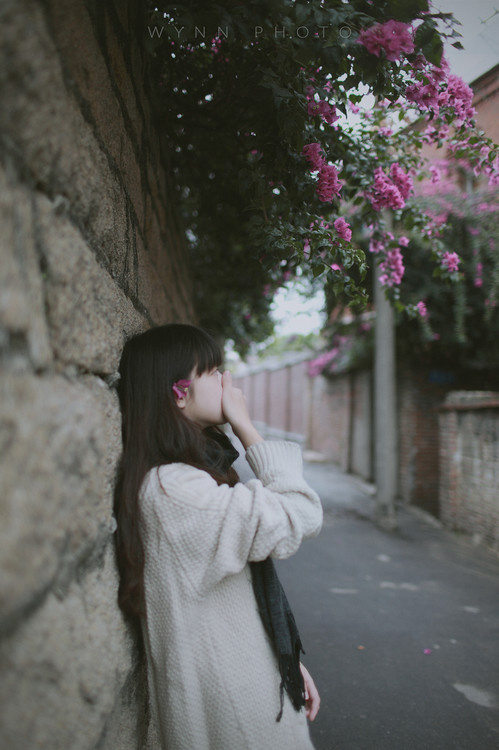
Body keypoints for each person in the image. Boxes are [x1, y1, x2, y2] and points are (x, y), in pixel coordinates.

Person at [114, 323, 323, 750]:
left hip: (249, 684)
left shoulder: (184, 478)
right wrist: (246, 426)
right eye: (213, 372)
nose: (228, 383)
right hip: (235, 711)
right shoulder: (173, 491)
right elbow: (298, 512)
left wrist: (283, 660)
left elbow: (236, 592)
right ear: (179, 392)